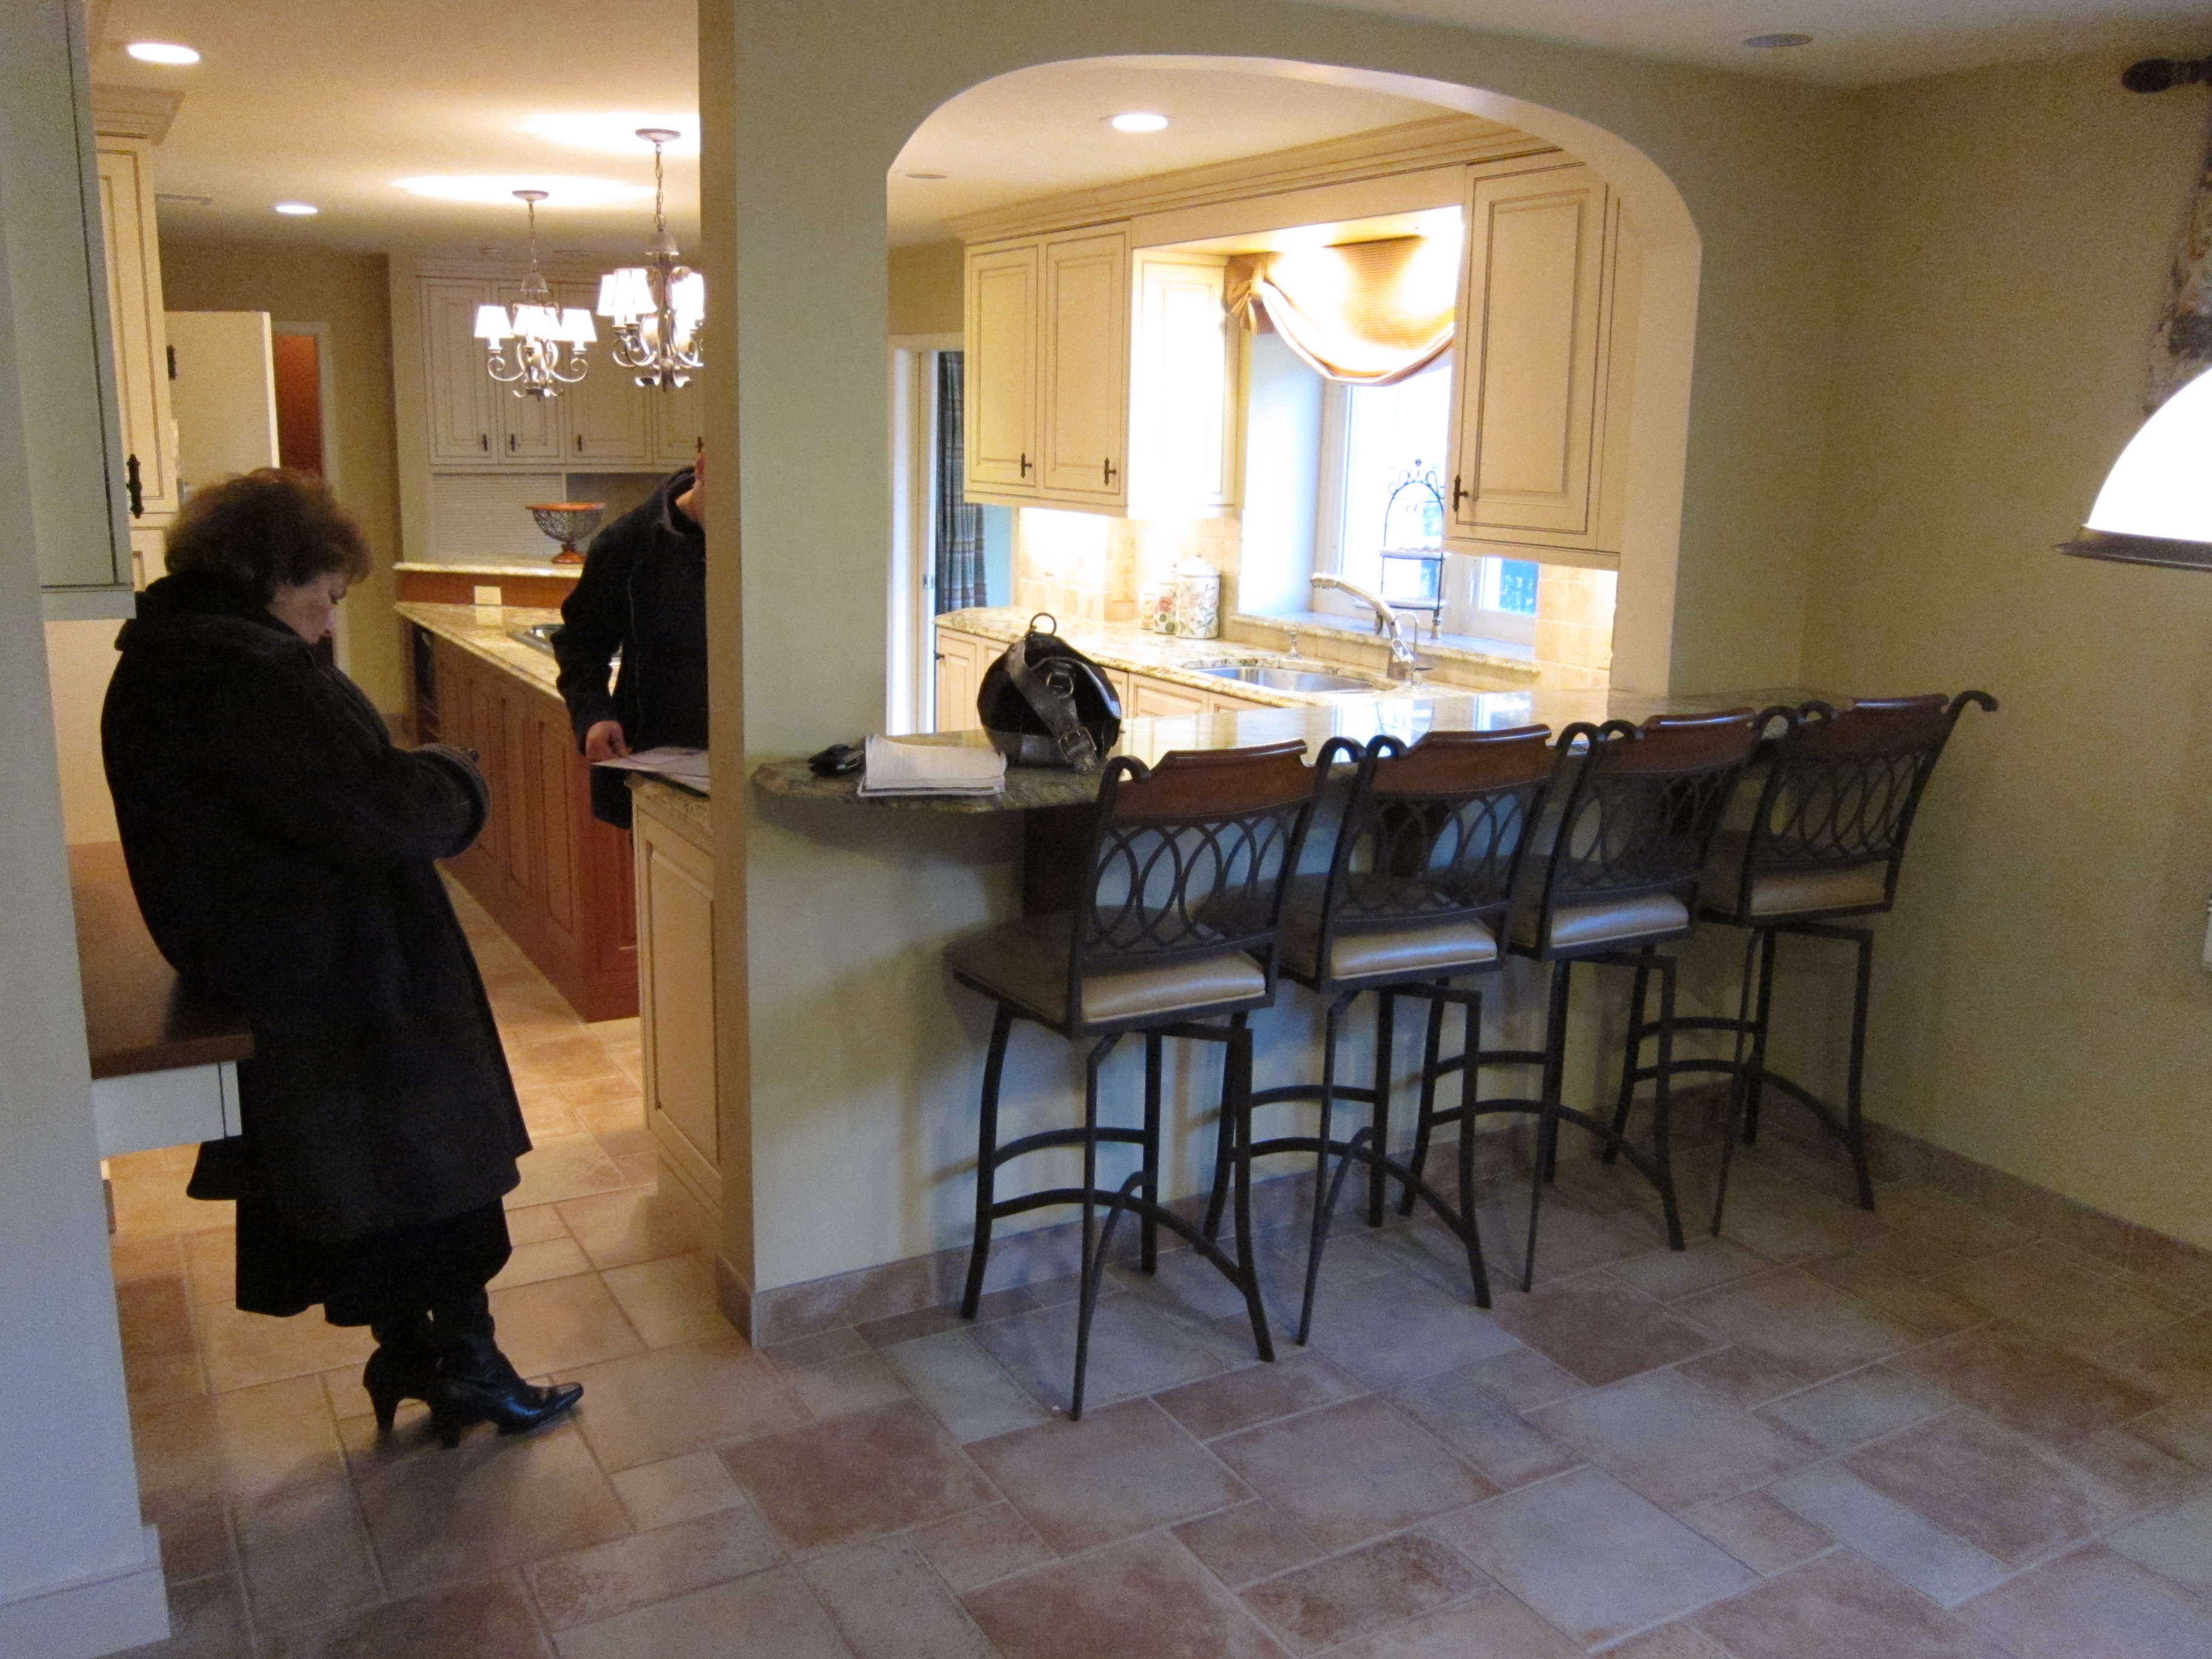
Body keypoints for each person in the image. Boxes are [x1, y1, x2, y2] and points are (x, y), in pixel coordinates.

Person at [101, 469, 581, 1449]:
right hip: (346, 972)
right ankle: (467, 1367)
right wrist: (453, 773)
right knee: (434, 1170)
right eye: (323, 595)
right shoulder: (248, 676)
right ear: (272, 578)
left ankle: (413, 1355)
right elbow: (381, 812)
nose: (327, 621)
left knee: (383, 1182)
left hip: (284, 962)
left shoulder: (165, 658)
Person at [553, 447, 707, 827]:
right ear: (704, 468)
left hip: (752, 763)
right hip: (657, 760)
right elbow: (581, 643)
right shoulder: (627, 542)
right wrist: (594, 716)